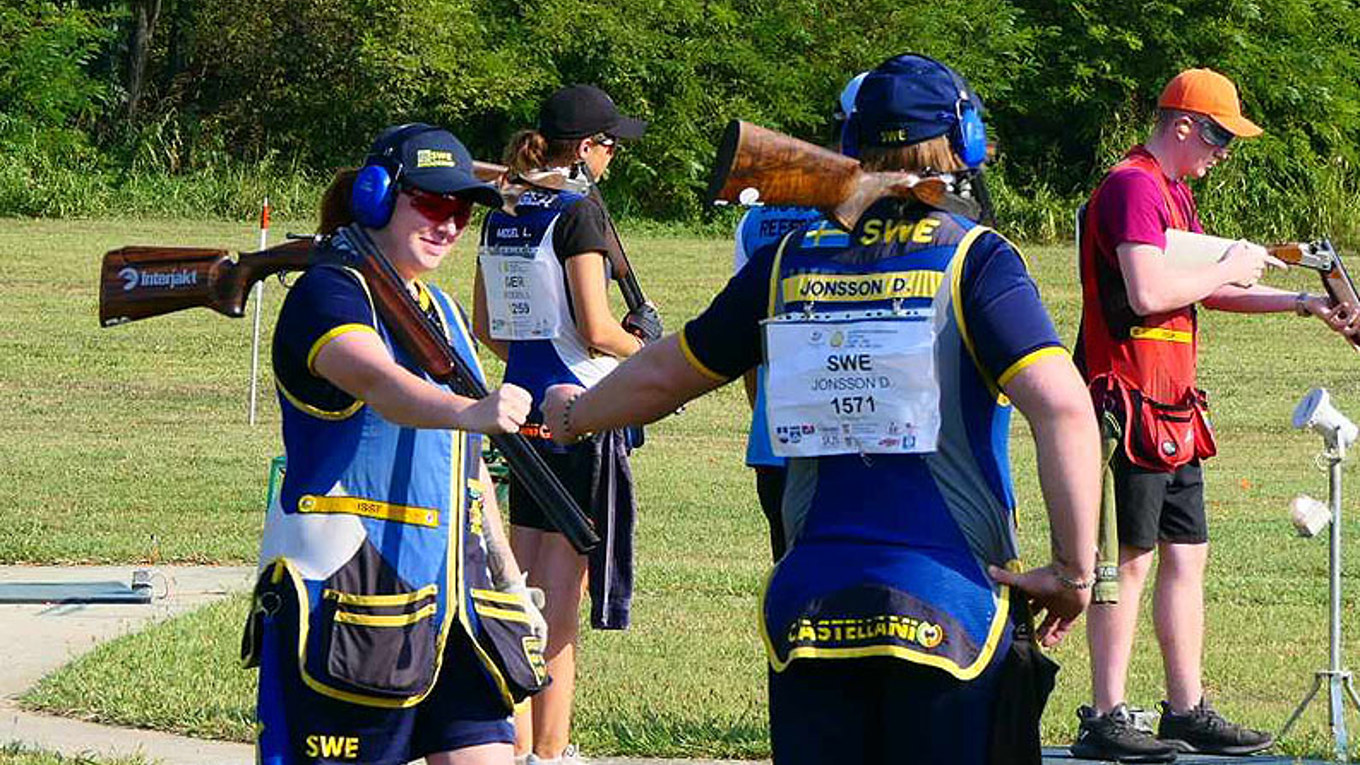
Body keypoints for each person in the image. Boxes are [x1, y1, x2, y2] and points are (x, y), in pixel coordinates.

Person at [541, 54, 1100, 764]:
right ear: (966, 138)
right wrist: (1073, 572)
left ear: (849, 142)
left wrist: (575, 414)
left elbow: (667, 371)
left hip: (810, 609)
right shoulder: (976, 260)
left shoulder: (787, 261)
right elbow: (1064, 408)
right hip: (951, 605)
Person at [1072, 68, 1352, 762]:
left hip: (1170, 404)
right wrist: (1231, 262)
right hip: (1125, 400)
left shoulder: (1172, 193)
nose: (1224, 153)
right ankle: (1105, 715)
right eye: (1219, 138)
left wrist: (1302, 302)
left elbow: (1208, 289)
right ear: (1184, 126)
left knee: (1186, 554)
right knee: (1128, 561)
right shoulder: (1133, 186)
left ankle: (1186, 708)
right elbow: (1147, 292)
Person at [244, 123, 546, 765]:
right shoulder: (329, 293)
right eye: (432, 203)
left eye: (462, 211)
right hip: (350, 598)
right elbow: (380, 383)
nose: (449, 224)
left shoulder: (443, 311)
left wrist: (510, 580)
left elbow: (467, 467)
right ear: (377, 196)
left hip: (457, 609)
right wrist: (470, 409)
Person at [472, 84, 653, 765]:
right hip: (580, 414)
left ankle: (514, 743)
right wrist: (652, 352)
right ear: (584, 149)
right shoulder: (579, 214)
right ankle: (550, 752)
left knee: (519, 589)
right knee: (561, 603)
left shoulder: (505, 210)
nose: (613, 157)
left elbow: (486, 327)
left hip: (521, 409)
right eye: (609, 145)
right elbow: (599, 329)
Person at [733, 72, 865, 562]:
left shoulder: (757, 218)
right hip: (860, 442)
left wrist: (765, 414)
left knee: (793, 578)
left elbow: (746, 343)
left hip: (775, 436)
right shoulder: (864, 214)